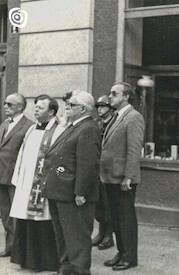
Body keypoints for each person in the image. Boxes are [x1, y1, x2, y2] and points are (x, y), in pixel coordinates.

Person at [42, 90, 101, 275]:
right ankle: (66, 268)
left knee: (77, 237)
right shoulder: (74, 126)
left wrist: (81, 192)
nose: (66, 107)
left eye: (71, 105)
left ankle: (78, 271)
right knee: (63, 235)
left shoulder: (88, 129)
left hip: (73, 194)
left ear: (82, 109)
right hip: (60, 191)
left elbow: (88, 164)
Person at [10, 94, 60, 271]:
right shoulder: (32, 129)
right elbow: (22, 155)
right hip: (27, 183)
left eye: (41, 107)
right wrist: (19, 178)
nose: (36, 110)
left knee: (41, 221)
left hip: (42, 185)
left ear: (52, 111)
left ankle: (41, 261)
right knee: (25, 220)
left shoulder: (57, 130)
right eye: (36, 106)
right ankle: (25, 259)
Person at [101, 82, 145, 271]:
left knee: (126, 218)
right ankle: (121, 252)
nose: (110, 97)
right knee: (116, 217)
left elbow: (134, 149)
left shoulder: (134, 117)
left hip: (123, 178)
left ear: (126, 96)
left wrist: (129, 176)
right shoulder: (116, 116)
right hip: (111, 176)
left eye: (114, 93)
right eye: (110, 93)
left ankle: (130, 257)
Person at [0, 93, 34, 257]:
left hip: (15, 177)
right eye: (5, 104)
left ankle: (20, 250)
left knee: (17, 214)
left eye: (9, 104)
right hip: (1, 175)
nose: (5, 106)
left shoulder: (29, 126)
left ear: (20, 107)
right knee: (5, 214)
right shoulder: (4, 124)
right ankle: (10, 247)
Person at [91, 95, 115, 250]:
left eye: (103, 106)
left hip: (109, 169)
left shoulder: (114, 123)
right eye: (98, 107)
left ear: (111, 108)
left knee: (108, 203)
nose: (100, 109)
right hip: (96, 168)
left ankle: (108, 235)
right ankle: (100, 232)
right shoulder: (96, 123)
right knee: (98, 203)